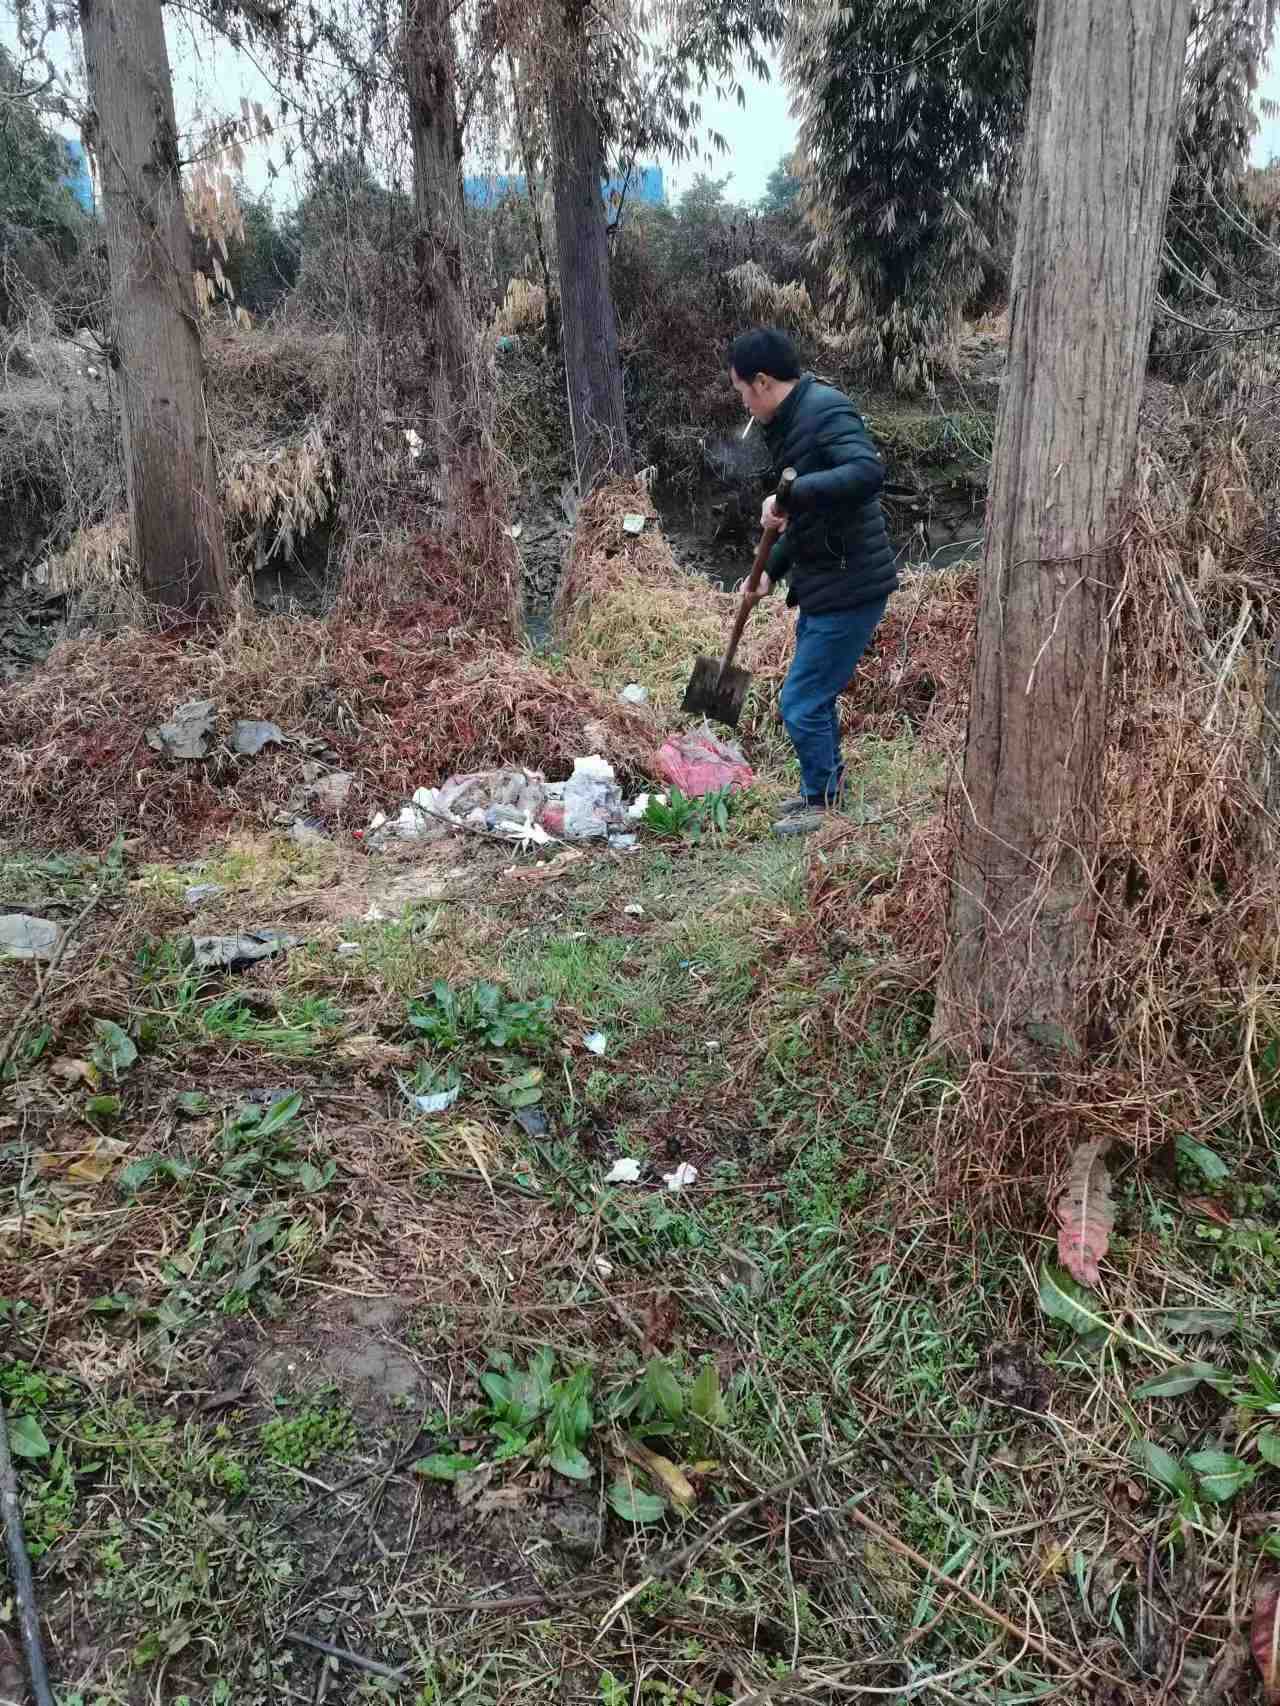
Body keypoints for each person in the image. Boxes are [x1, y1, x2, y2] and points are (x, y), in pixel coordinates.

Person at [728, 327, 897, 834]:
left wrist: (791, 493)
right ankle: (821, 789)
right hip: (827, 582)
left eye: (742, 392)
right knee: (811, 696)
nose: (744, 404)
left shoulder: (825, 410)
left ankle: (822, 808)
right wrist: (770, 572)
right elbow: (805, 520)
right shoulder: (791, 421)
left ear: (762, 382)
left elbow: (867, 472)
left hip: (851, 583)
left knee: (800, 700)